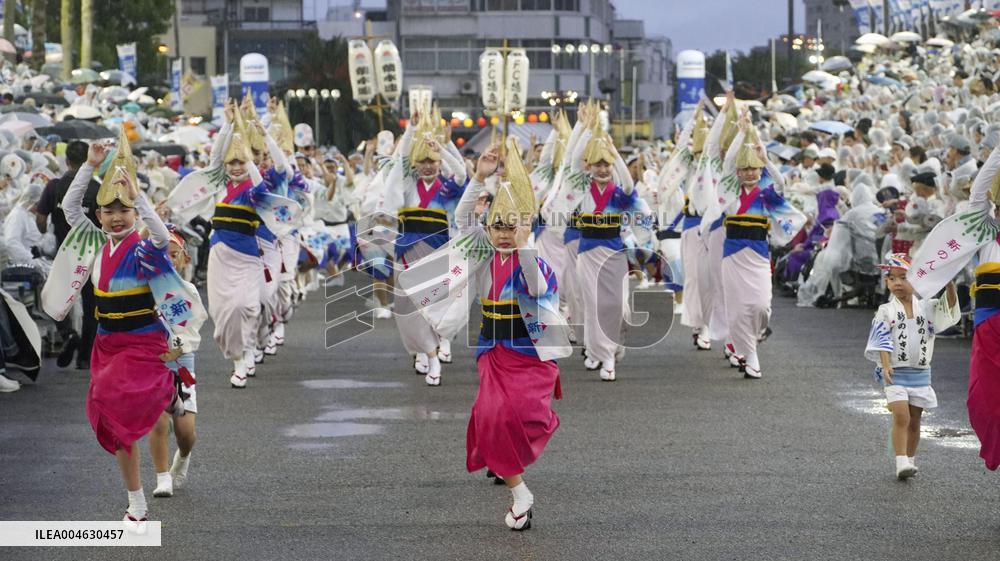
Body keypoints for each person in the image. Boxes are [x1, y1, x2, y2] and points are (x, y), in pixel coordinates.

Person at [399, 139, 571, 530]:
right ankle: (519, 492)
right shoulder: (480, 249)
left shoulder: (535, 260)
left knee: (527, 417)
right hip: (492, 349)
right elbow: (462, 218)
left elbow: (539, 290)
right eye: (497, 227)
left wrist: (524, 245)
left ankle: (515, 467)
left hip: (530, 354)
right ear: (489, 226)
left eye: (512, 228)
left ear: (524, 228)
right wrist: (478, 177)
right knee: (490, 417)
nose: (504, 235)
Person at [51, 131, 200, 531]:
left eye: (124, 209)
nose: (116, 216)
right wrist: (90, 166)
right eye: (109, 210)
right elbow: (68, 208)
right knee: (113, 420)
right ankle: (136, 501)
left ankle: (168, 393)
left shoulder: (144, 247)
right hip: (107, 345)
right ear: (98, 215)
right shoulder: (95, 243)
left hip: (144, 342)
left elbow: (159, 231)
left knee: (135, 416)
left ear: (134, 213)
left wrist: (141, 196)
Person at [718, 115, 805, 378]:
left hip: (757, 255)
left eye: (754, 169)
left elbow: (781, 184)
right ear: (738, 172)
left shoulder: (767, 196)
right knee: (735, 310)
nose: (750, 173)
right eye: (745, 169)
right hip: (732, 257)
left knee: (759, 307)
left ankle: (755, 336)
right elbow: (725, 166)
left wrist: (764, 157)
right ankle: (750, 355)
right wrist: (741, 134)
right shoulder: (730, 193)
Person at [864, 254, 959, 479]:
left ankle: (910, 459)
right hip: (895, 372)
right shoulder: (885, 310)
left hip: (921, 374)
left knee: (915, 420)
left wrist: (949, 283)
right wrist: (885, 365)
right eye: (892, 278)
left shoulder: (927, 307)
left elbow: (950, 305)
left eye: (903, 277)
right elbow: (882, 338)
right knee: (901, 416)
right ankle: (900, 462)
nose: (897, 283)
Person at [150, 227, 206, 498]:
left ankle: (183, 456)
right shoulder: (140, 289)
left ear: (184, 258)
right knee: (158, 423)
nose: (168, 259)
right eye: (162, 254)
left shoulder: (189, 291)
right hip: (150, 363)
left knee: (185, 432)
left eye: (173, 254)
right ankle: (162, 477)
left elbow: (190, 332)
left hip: (180, 363)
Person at [35, 140, 100, 369]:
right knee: (92, 307)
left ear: (67, 161)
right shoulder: (97, 188)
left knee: (52, 298)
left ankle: (68, 333)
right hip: (92, 257)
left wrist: (48, 230)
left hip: (65, 254)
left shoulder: (53, 186)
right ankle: (84, 358)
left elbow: (41, 220)